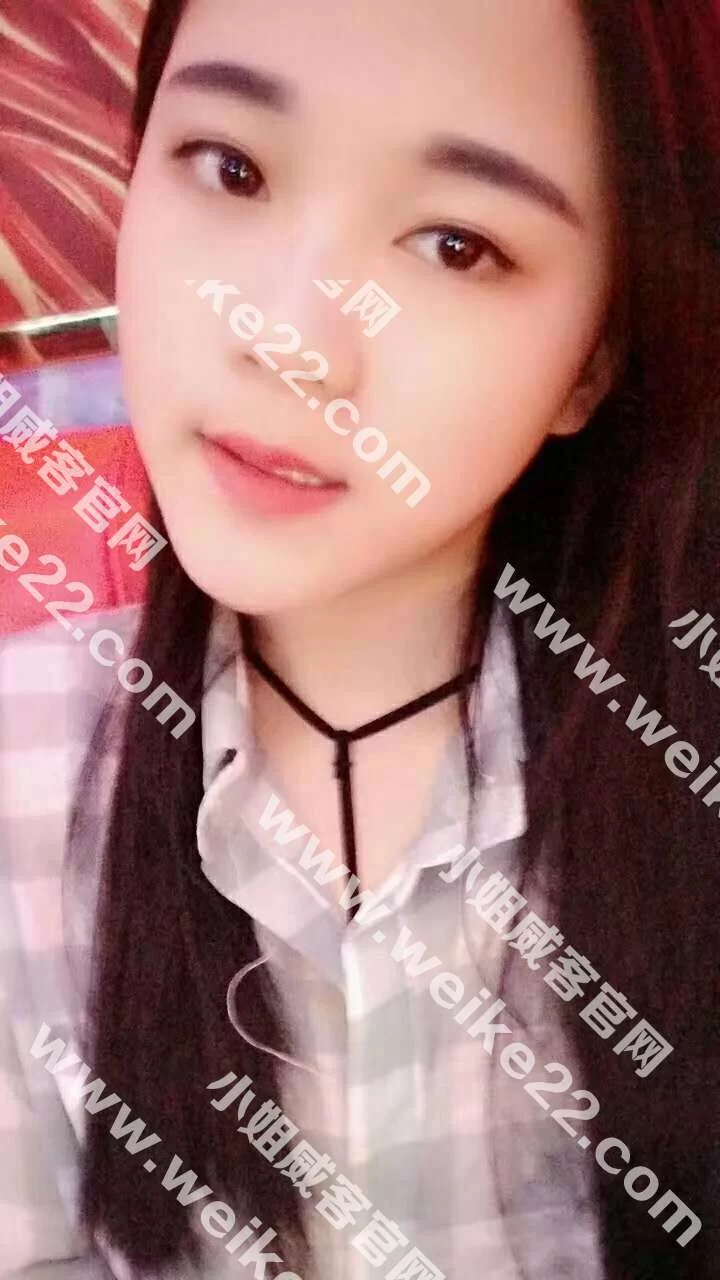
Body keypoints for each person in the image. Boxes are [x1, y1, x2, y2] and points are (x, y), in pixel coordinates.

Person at [1, 0, 719, 1276]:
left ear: (594, 357)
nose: (293, 338)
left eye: (456, 244)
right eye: (233, 168)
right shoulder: (25, 769)